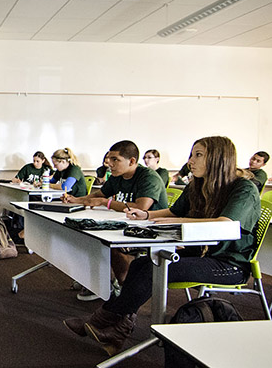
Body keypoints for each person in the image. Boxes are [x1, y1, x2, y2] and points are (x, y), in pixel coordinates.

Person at [63, 136, 260, 356]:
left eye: (198, 155)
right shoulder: (199, 184)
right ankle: (117, 329)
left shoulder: (244, 188)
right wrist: (147, 214)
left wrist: (176, 221)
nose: (190, 161)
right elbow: (174, 212)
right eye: (191, 154)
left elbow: (225, 225)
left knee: (154, 268)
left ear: (218, 158)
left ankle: (102, 320)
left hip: (229, 263)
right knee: (141, 264)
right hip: (200, 253)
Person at [62, 141, 168, 300]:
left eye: (115, 160)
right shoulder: (117, 176)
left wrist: (107, 203)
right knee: (86, 234)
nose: (109, 163)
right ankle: (97, 280)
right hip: (126, 223)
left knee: (105, 241)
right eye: (109, 159)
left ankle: (122, 289)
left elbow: (141, 207)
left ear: (132, 161)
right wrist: (76, 200)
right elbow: (99, 196)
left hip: (150, 228)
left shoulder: (148, 177)